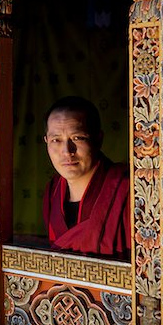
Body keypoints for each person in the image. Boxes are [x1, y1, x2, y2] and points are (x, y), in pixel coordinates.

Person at [43, 96, 130, 258]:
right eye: (56, 140)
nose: (67, 151)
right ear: (46, 141)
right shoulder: (52, 191)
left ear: (98, 139)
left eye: (77, 138)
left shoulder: (128, 190)